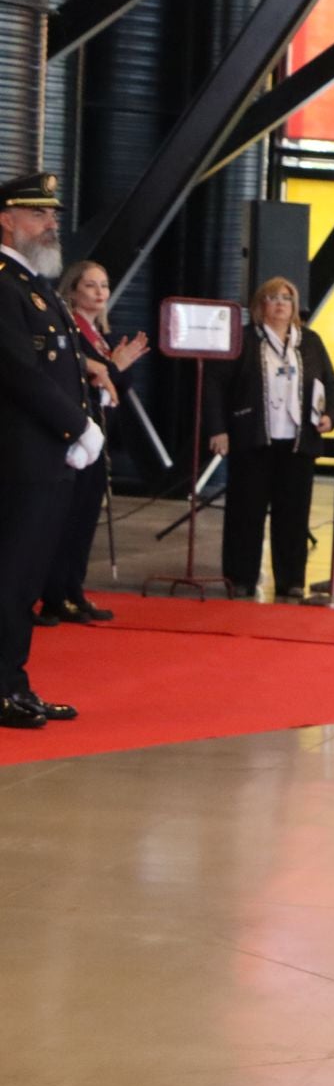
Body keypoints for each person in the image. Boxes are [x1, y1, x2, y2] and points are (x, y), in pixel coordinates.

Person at [0, 172, 97, 729]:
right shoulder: (4, 284)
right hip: (18, 458)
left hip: (44, 458)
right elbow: (20, 373)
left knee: (26, 581)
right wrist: (77, 427)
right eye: (38, 214)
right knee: (10, 578)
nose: (51, 224)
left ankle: (13, 683)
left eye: (52, 215)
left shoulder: (32, 284)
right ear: (7, 218)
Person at [206, 276, 334, 602]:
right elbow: (214, 386)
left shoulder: (310, 342)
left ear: (294, 306)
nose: (280, 303)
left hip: (297, 442)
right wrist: (218, 429)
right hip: (253, 439)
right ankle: (240, 578)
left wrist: (331, 416)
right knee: (245, 513)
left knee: (293, 516)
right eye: (272, 297)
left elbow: (332, 385)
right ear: (259, 305)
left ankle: (291, 580)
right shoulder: (244, 340)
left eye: (287, 298)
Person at [35, 259, 148, 625]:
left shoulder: (99, 333)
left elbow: (116, 389)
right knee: (65, 521)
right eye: (91, 286)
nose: (100, 293)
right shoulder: (69, 332)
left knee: (85, 519)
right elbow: (79, 382)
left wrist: (118, 367)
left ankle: (74, 591)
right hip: (72, 439)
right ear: (72, 290)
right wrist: (113, 367)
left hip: (97, 437)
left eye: (104, 285)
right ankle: (54, 594)